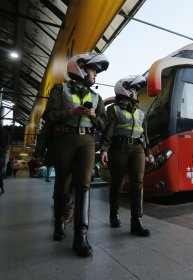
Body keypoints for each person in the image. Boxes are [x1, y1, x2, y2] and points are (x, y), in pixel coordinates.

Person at [43, 52, 109, 257]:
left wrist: (94, 115)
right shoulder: (59, 89)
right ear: (79, 68)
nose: (95, 75)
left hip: (87, 142)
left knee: (84, 184)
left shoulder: (97, 97)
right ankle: (58, 224)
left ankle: (81, 235)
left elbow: (104, 125)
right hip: (65, 140)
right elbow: (49, 116)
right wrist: (69, 113)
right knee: (62, 183)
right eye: (93, 71)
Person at [100, 75, 153, 237]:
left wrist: (148, 153)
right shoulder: (113, 109)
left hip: (137, 149)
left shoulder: (140, 112)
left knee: (138, 184)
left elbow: (144, 134)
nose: (137, 93)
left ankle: (136, 222)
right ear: (125, 90)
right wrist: (104, 149)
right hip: (119, 148)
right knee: (117, 183)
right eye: (134, 90)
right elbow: (107, 131)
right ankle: (114, 214)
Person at [33, 120, 74, 224]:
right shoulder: (55, 114)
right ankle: (64, 211)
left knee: (68, 182)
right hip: (59, 152)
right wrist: (39, 153)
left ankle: (66, 209)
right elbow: (44, 135)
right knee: (64, 182)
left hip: (75, 151)